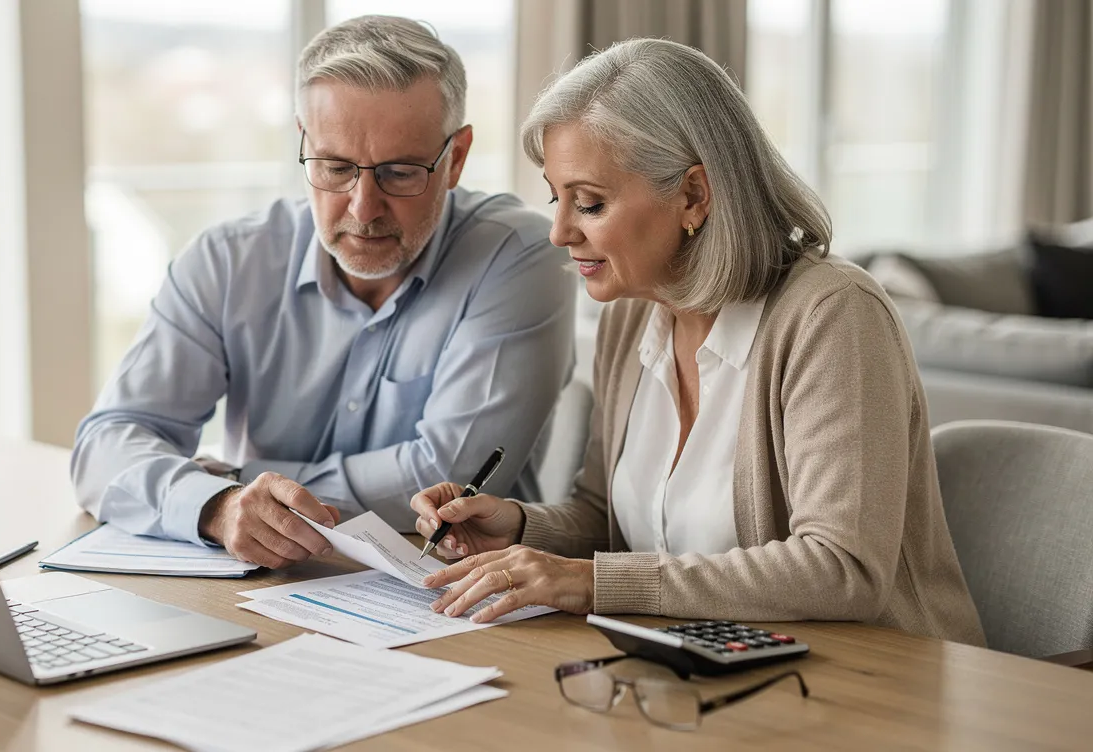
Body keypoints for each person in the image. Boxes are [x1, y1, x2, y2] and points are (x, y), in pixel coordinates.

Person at [411, 38, 985, 646]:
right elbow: (607, 518)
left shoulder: (832, 316)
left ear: (693, 195)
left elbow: (843, 569)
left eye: (590, 203)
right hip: (705, 667)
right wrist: (518, 527)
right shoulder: (631, 317)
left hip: (876, 686)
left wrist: (592, 582)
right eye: (558, 198)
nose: (558, 232)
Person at [71, 16, 576, 570]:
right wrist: (216, 505)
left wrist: (236, 480)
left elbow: (449, 473)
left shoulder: (519, 253)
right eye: (335, 168)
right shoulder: (227, 261)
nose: (363, 208)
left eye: (401, 172)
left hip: (454, 593)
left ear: (455, 158)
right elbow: (106, 445)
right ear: (302, 143)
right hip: (264, 591)